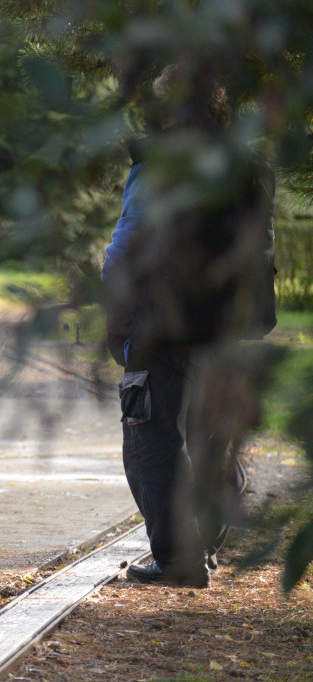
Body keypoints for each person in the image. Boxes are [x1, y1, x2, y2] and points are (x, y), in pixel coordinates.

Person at [102, 65, 277, 588]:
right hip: (228, 325)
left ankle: (179, 558)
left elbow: (126, 245)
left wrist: (115, 314)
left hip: (162, 323)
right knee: (213, 439)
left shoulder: (157, 163)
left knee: (151, 441)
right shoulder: (253, 168)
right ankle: (206, 545)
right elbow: (261, 248)